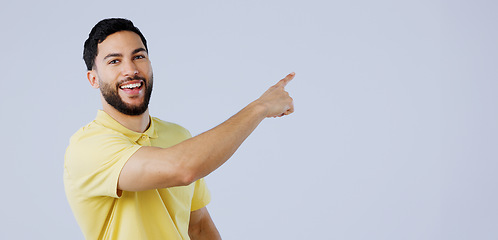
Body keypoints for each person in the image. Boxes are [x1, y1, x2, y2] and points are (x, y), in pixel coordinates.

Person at [64, 18, 295, 240]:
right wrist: (260, 107)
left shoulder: (178, 136)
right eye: (114, 61)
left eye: (139, 56)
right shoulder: (87, 147)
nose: (130, 69)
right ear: (93, 79)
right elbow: (182, 168)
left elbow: (199, 227)